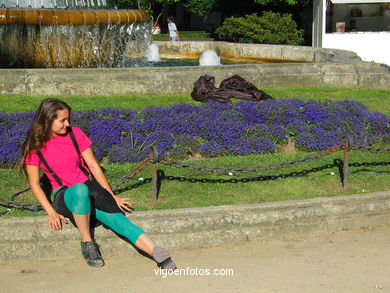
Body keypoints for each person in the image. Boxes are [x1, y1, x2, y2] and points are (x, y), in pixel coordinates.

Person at [18, 98, 176, 270]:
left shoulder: (75, 134)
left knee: (118, 220)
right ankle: (87, 242)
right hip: (65, 195)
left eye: (68, 119)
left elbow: (93, 166)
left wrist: (111, 195)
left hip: (90, 189)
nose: (67, 123)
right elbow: (34, 184)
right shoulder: (35, 147)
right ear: (48, 120)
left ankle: (157, 253)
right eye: (62, 120)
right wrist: (50, 212)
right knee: (79, 190)